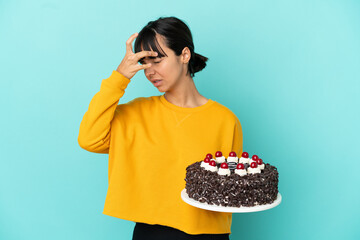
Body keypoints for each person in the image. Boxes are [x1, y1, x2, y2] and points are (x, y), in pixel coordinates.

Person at [78, 16, 243, 240]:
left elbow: (229, 187)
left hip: (209, 233)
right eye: (145, 64)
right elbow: (89, 139)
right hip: (152, 232)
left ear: (184, 55)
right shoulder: (135, 114)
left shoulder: (225, 120)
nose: (149, 72)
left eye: (157, 61)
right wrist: (120, 77)